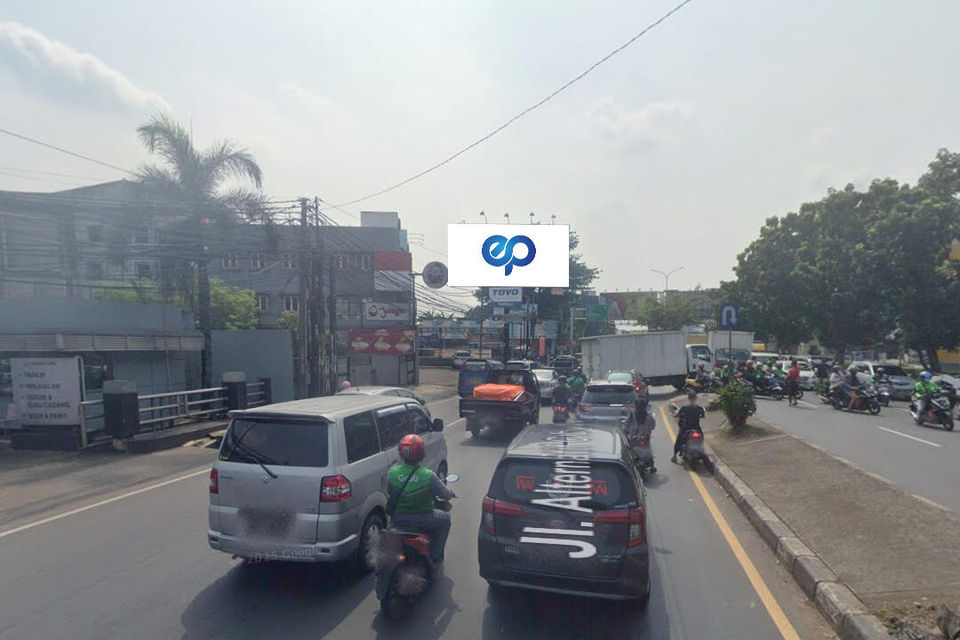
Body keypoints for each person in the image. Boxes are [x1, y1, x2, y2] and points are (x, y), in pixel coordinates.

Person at [387, 434, 456, 564]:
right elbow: (444, 493)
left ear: (401, 453)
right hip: (424, 518)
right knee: (446, 520)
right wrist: (450, 493)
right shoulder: (428, 475)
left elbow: (389, 492)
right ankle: (435, 557)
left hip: (398, 519)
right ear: (421, 453)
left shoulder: (392, 473)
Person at [672, 391, 706, 464]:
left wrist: (675, 415)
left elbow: (678, 414)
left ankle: (674, 456)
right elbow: (703, 416)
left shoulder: (684, 408)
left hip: (686, 427)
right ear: (696, 398)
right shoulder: (699, 408)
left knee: (679, 440)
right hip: (696, 427)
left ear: (688, 398)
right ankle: (702, 452)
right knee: (701, 437)